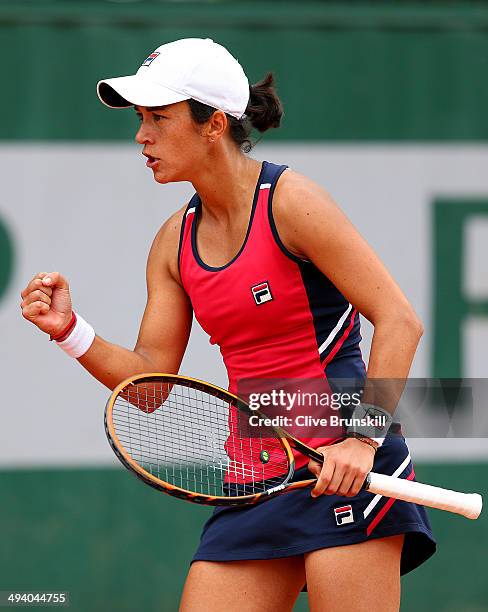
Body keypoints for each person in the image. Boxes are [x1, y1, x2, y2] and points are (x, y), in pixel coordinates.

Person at [21, 38, 435, 611]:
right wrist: (70, 332)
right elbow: (151, 384)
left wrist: (362, 440)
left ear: (214, 124)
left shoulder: (292, 203)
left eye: (159, 120)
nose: (142, 136)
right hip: (256, 475)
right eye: (141, 120)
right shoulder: (173, 242)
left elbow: (400, 321)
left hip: (344, 464)